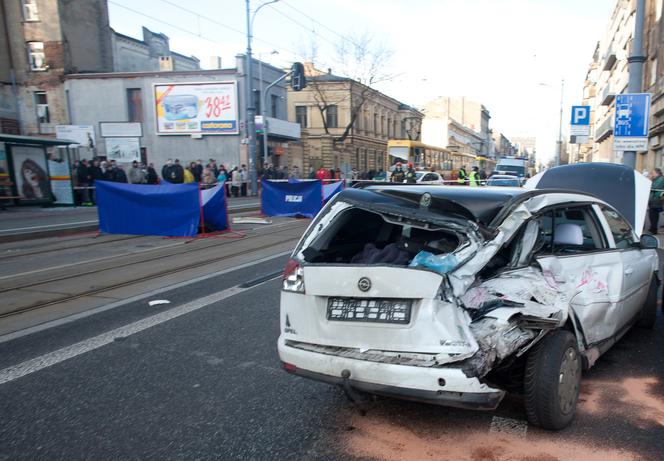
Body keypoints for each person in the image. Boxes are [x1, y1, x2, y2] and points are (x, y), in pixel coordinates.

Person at [648, 168, 664, 234]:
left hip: (656, 200)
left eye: (653, 173)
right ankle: (653, 228)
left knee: (653, 215)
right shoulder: (657, 179)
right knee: (652, 215)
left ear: (657, 173)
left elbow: (653, 186)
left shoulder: (661, 179)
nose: (652, 174)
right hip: (654, 200)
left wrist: (649, 179)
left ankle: (654, 229)